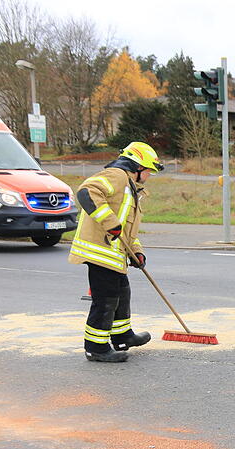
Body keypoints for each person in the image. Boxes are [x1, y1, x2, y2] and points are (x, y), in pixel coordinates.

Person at [68, 141, 163, 362]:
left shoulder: (132, 189)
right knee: (106, 300)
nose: (149, 176)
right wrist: (109, 222)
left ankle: (122, 337)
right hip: (99, 251)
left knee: (122, 293)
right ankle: (96, 348)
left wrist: (136, 252)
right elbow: (86, 192)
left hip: (113, 254)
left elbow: (127, 229)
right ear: (137, 167)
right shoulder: (117, 176)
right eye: (148, 171)